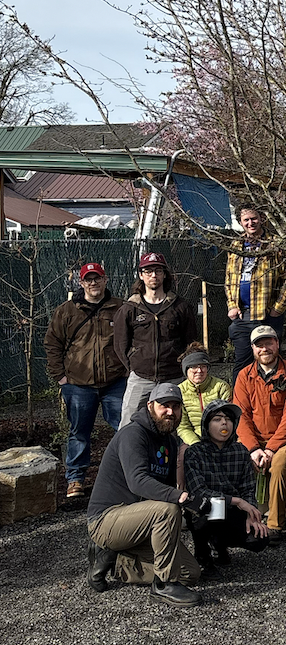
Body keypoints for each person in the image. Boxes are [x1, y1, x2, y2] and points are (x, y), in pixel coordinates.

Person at [86, 382, 203, 606]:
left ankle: (115, 560)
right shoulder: (133, 434)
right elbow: (137, 482)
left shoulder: (170, 442)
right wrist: (180, 497)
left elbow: (163, 488)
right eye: (164, 405)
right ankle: (163, 585)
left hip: (143, 523)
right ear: (150, 406)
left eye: (175, 406)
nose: (170, 412)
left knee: (190, 573)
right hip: (106, 520)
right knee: (167, 509)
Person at [46, 261, 127, 498]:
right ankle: (75, 479)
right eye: (88, 279)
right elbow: (52, 343)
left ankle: (125, 475)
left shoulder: (121, 308)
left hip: (115, 382)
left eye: (97, 278)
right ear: (81, 283)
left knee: (125, 428)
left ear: (105, 280)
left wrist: (128, 369)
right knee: (79, 433)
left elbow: (134, 339)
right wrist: (60, 377)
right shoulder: (67, 311)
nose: (93, 283)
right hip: (78, 384)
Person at [234, 324, 286, 536]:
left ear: (277, 344)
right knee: (234, 460)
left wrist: (271, 449)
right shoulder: (244, 376)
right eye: (259, 345)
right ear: (253, 348)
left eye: (269, 343)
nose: (264, 349)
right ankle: (240, 519)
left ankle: (274, 525)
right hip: (253, 440)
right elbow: (241, 416)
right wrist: (253, 448)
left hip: (285, 439)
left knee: (280, 465)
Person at [182, 399, 269, 573]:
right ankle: (202, 555)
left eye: (228, 419)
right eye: (217, 419)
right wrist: (235, 500)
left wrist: (251, 513)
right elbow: (198, 491)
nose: (224, 423)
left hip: (233, 511)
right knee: (207, 510)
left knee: (259, 538)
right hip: (207, 508)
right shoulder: (194, 452)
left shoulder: (241, 451)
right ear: (206, 425)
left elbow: (248, 488)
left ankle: (219, 545)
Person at [114, 252, 198, 425]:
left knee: (176, 423)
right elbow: (120, 344)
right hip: (141, 377)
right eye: (148, 271)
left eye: (158, 271)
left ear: (164, 274)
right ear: (141, 275)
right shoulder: (129, 308)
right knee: (128, 424)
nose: (153, 275)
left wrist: (183, 368)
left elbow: (191, 342)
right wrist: (133, 366)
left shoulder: (180, 307)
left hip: (173, 377)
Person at [224, 205, 286, 378]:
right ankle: (241, 395)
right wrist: (232, 305)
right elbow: (229, 279)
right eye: (246, 220)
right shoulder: (236, 245)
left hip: (267, 314)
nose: (251, 223)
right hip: (243, 315)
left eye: (254, 218)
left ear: (261, 218)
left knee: (269, 362)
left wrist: (278, 308)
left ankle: (272, 394)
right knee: (242, 365)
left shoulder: (276, 244)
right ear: (240, 222)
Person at [177, 346, 232, 446]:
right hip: (192, 441)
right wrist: (196, 444)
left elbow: (229, 418)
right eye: (194, 366)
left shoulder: (221, 387)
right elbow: (183, 427)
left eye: (203, 366)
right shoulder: (180, 391)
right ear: (186, 369)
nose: (199, 370)